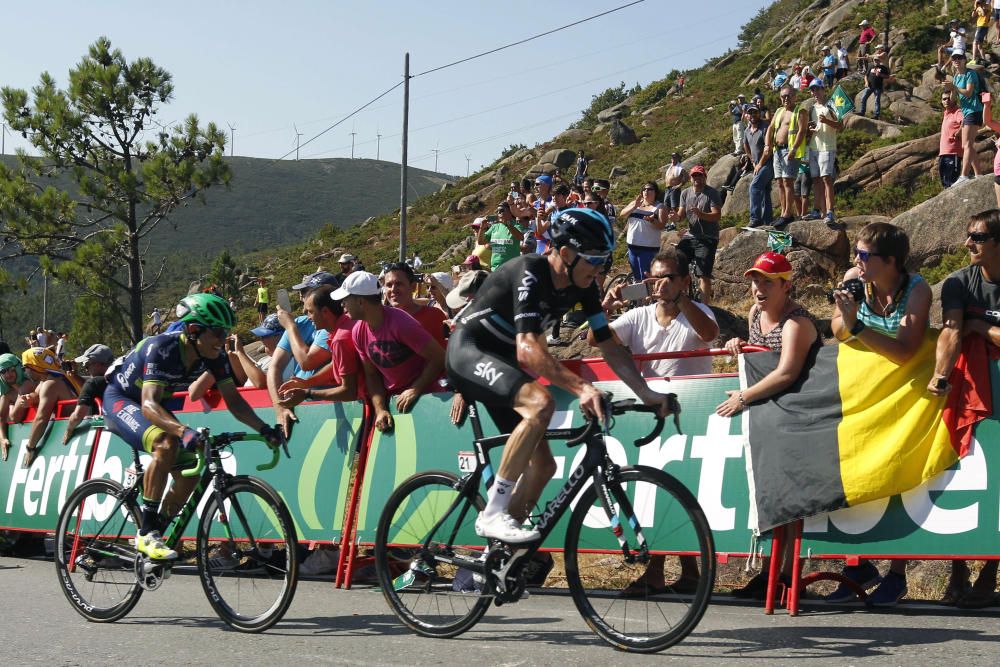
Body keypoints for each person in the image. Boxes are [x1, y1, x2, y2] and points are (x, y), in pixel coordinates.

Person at [445, 207, 676, 543]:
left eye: (605, 261)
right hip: (469, 352)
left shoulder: (582, 287)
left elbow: (609, 346)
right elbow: (527, 350)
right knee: (540, 404)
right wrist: (582, 387)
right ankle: (493, 514)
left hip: (502, 362)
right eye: (594, 260)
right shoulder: (530, 272)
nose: (600, 269)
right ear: (565, 253)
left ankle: (501, 554)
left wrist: (647, 393)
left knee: (544, 466)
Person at [101, 293, 282, 561]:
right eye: (218, 333)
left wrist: (265, 428)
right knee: (166, 442)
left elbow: (234, 401)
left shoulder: (214, 356)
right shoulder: (162, 348)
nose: (223, 340)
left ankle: (159, 531)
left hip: (151, 404)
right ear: (194, 330)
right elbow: (149, 405)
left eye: (226, 333)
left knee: (191, 471)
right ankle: (146, 533)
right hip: (122, 401)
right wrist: (183, 431)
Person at [587, 248, 718, 595]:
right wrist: (604, 308)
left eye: (667, 278)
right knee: (660, 491)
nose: (658, 284)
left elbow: (708, 333)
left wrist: (682, 299)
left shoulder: (696, 311)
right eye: (653, 277)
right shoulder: (639, 315)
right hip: (653, 411)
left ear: (684, 281)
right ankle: (680, 573)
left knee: (679, 492)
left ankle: (666, 573)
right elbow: (594, 340)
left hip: (690, 410)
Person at [825, 223, 932, 606]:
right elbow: (837, 329)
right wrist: (849, 320)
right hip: (867, 393)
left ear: (890, 262)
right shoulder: (857, 278)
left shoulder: (917, 289)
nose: (856, 260)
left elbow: (905, 350)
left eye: (864, 255)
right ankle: (858, 565)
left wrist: (857, 326)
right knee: (857, 474)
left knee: (904, 478)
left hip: (907, 395)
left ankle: (897, 573)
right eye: (856, 252)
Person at [717, 252, 821, 598]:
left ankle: (790, 577)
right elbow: (760, 360)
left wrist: (744, 397)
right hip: (771, 414)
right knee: (771, 495)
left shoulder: (797, 323)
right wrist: (739, 346)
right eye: (754, 280)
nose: (757, 288)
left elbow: (787, 373)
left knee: (791, 501)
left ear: (785, 286)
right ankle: (768, 573)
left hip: (803, 416)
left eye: (766, 281)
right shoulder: (755, 313)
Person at [928, 209, 1000, 608]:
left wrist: (981, 328)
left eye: (978, 237)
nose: (968, 243)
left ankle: (989, 575)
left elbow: (972, 328)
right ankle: (957, 571)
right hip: (970, 392)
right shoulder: (959, 281)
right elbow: (953, 330)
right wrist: (941, 374)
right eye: (968, 235)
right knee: (961, 474)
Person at [334, 271, 445, 433]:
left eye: (345, 300)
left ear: (360, 301)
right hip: (397, 403)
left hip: (428, 400)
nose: (342, 305)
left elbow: (439, 357)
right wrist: (380, 409)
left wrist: (416, 389)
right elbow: (372, 375)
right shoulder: (358, 331)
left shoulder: (401, 324)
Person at [268, 271, 340, 436]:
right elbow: (275, 367)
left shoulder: (331, 326)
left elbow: (307, 362)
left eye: (305, 293)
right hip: (301, 403)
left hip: (328, 404)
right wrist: (280, 408)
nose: (302, 299)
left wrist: (290, 327)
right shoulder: (301, 322)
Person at [277, 285, 363, 407]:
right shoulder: (346, 325)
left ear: (325, 312)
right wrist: (306, 383)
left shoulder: (341, 339)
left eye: (311, 312)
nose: (308, 317)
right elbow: (338, 365)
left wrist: (307, 394)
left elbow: (349, 392)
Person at [18, 347, 84, 467]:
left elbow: (41, 419)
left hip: (76, 429)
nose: (25, 372)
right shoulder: (53, 377)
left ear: (34, 366)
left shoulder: (50, 384)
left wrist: (30, 447)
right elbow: (37, 393)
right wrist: (31, 397)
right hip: (78, 423)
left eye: (25, 368)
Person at [675, 165, 722, 304]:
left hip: (708, 237)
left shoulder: (712, 193)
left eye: (699, 175)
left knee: (703, 274)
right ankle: (680, 301)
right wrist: (674, 218)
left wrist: (701, 214)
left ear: (704, 177)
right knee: (677, 262)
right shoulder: (685, 193)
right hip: (691, 236)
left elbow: (716, 216)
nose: (697, 178)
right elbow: (681, 216)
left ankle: (704, 308)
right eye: (694, 176)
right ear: (690, 178)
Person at [805, 79, 845, 229]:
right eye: (812, 90)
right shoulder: (812, 109)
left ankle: (830, 212)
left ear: (823, 89)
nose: (814, 93)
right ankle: (817, 210)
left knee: (826, 179)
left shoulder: (831, 106)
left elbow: (840, 126)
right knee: (815, 180)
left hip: (827, 147)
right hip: (814, 147)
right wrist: (810, 129)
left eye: (817, 89)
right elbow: (810, 128)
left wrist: (827, 122)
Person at [766, 86, 808, 228]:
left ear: (795, 96)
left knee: (787, 181)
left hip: (789, 151)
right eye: (783, 96)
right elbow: (771, 128)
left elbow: (802, 132)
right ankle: (784, 212)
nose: (785, 98)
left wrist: (794, 149)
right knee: (780, 183)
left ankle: (787, 214)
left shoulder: (800, 111)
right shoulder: (779, 111)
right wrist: (767, 145)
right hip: (777, 150)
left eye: (788, 96)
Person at [382, 261, 449, 349]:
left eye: (399, 284)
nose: (393, 289)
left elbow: (443, 357)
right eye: (389, 285)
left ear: (413, 286)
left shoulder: (434, 316)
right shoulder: (380, 319)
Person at [62, 344, 116, 444]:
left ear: (99, 364)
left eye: (87, 364)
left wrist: (68, 430)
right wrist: (74, 376)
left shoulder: (93, 383)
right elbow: (94, 389)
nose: (86, 368)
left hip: (101, 435)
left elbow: (77, 416)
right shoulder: (120, 378)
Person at [945, 50, 984, 184]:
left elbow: (968, 93)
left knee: (967, 144)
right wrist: (950, 89)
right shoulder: (956, 76)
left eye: (959, 58)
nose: (956, 60)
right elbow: (954, 98)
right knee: (967, 145)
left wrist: (954, 87)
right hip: (967, 111)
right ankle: (978, 174)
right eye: (954, 58)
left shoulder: (970, 74)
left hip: (975, 110)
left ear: (964, 60)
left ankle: (964, 175)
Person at [619, 181, 669, 283]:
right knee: (637, 277)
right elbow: (622, 214)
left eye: (650, 189)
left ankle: (650, 298)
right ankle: (640, 299)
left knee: (646, 278)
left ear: (655, 192)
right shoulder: (635, 203)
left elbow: (662, 226)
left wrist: (652, 220)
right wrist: (634, 206)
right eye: (644, 189)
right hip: (632, 247)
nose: (646, 191)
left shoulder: (660, 207)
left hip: (648, 248)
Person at [229, 313, 286, 389]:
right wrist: (232, 355)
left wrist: (240, 353)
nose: (261, 339)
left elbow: (260, 384)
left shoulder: (286, 362)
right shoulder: (264, 360)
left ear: (281, 336)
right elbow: (246, 380)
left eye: (265, 336)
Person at [0, 354, 38, 462]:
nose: (8, 374)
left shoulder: (27, 384)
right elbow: (1, 418)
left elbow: (14, 418)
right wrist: (3, 438)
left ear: (17, 368)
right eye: (3, 371)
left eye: (11, 369)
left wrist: (11, 405)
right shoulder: (7, 393)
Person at [744, 105, 773, 228]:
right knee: (765, 191)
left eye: (755, 112)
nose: (752, 115)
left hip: (767, 163)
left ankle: (755, 218)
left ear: (759, 113)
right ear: (747, 115)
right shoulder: (747, 130)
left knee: (754, 187)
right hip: (757, 165)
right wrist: (751, 160)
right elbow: (745, 145)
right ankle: (767, 220)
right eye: (750, 113)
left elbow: (768, 149)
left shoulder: (765, 128)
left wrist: (759, 164)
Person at [477, 202, 526, 273]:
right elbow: (481, 242)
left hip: (512, 268)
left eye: (501, 210)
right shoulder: (494, 227)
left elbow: (520, 237)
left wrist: (507, 224)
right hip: (495, 269)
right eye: (498, 211)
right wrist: (481, 228)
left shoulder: (516, 225)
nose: (499, 213)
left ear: (510, 212)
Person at [939, 90, 965, 188]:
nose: (946, 101)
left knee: (952, 182)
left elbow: (965, 121)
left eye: (949, 98)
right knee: (945, 182)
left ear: (954, 99)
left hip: (953, 153)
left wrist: (959, 132)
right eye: (944, 99)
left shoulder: (957, 111)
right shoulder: (946, 113)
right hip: (943, 152)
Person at [859, 52, 893, 120]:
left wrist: (880, 75)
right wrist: (866, 82)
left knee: (877, 101)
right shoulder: (870, 66)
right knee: (863, 98)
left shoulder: (883, 68)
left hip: (878, 87)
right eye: (875, 60)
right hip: (869, 86)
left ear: (879, 61)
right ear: (873, 60)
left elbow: (887, 76)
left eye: (877, 60)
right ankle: (862, 112)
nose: (876, 61)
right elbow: (866, 75)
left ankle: (876, 115)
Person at [974, 0, 991, 65]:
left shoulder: (986, 7)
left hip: (982, 26)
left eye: (979, 2)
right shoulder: (979, 8)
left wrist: (979, 8)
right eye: (978, 2)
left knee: (976, 43)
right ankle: (984, 59)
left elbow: (983, 14)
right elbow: (973, 15)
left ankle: (975, 59)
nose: (979, 3)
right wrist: (976, 8)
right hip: (980, 26)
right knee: (979, 45)